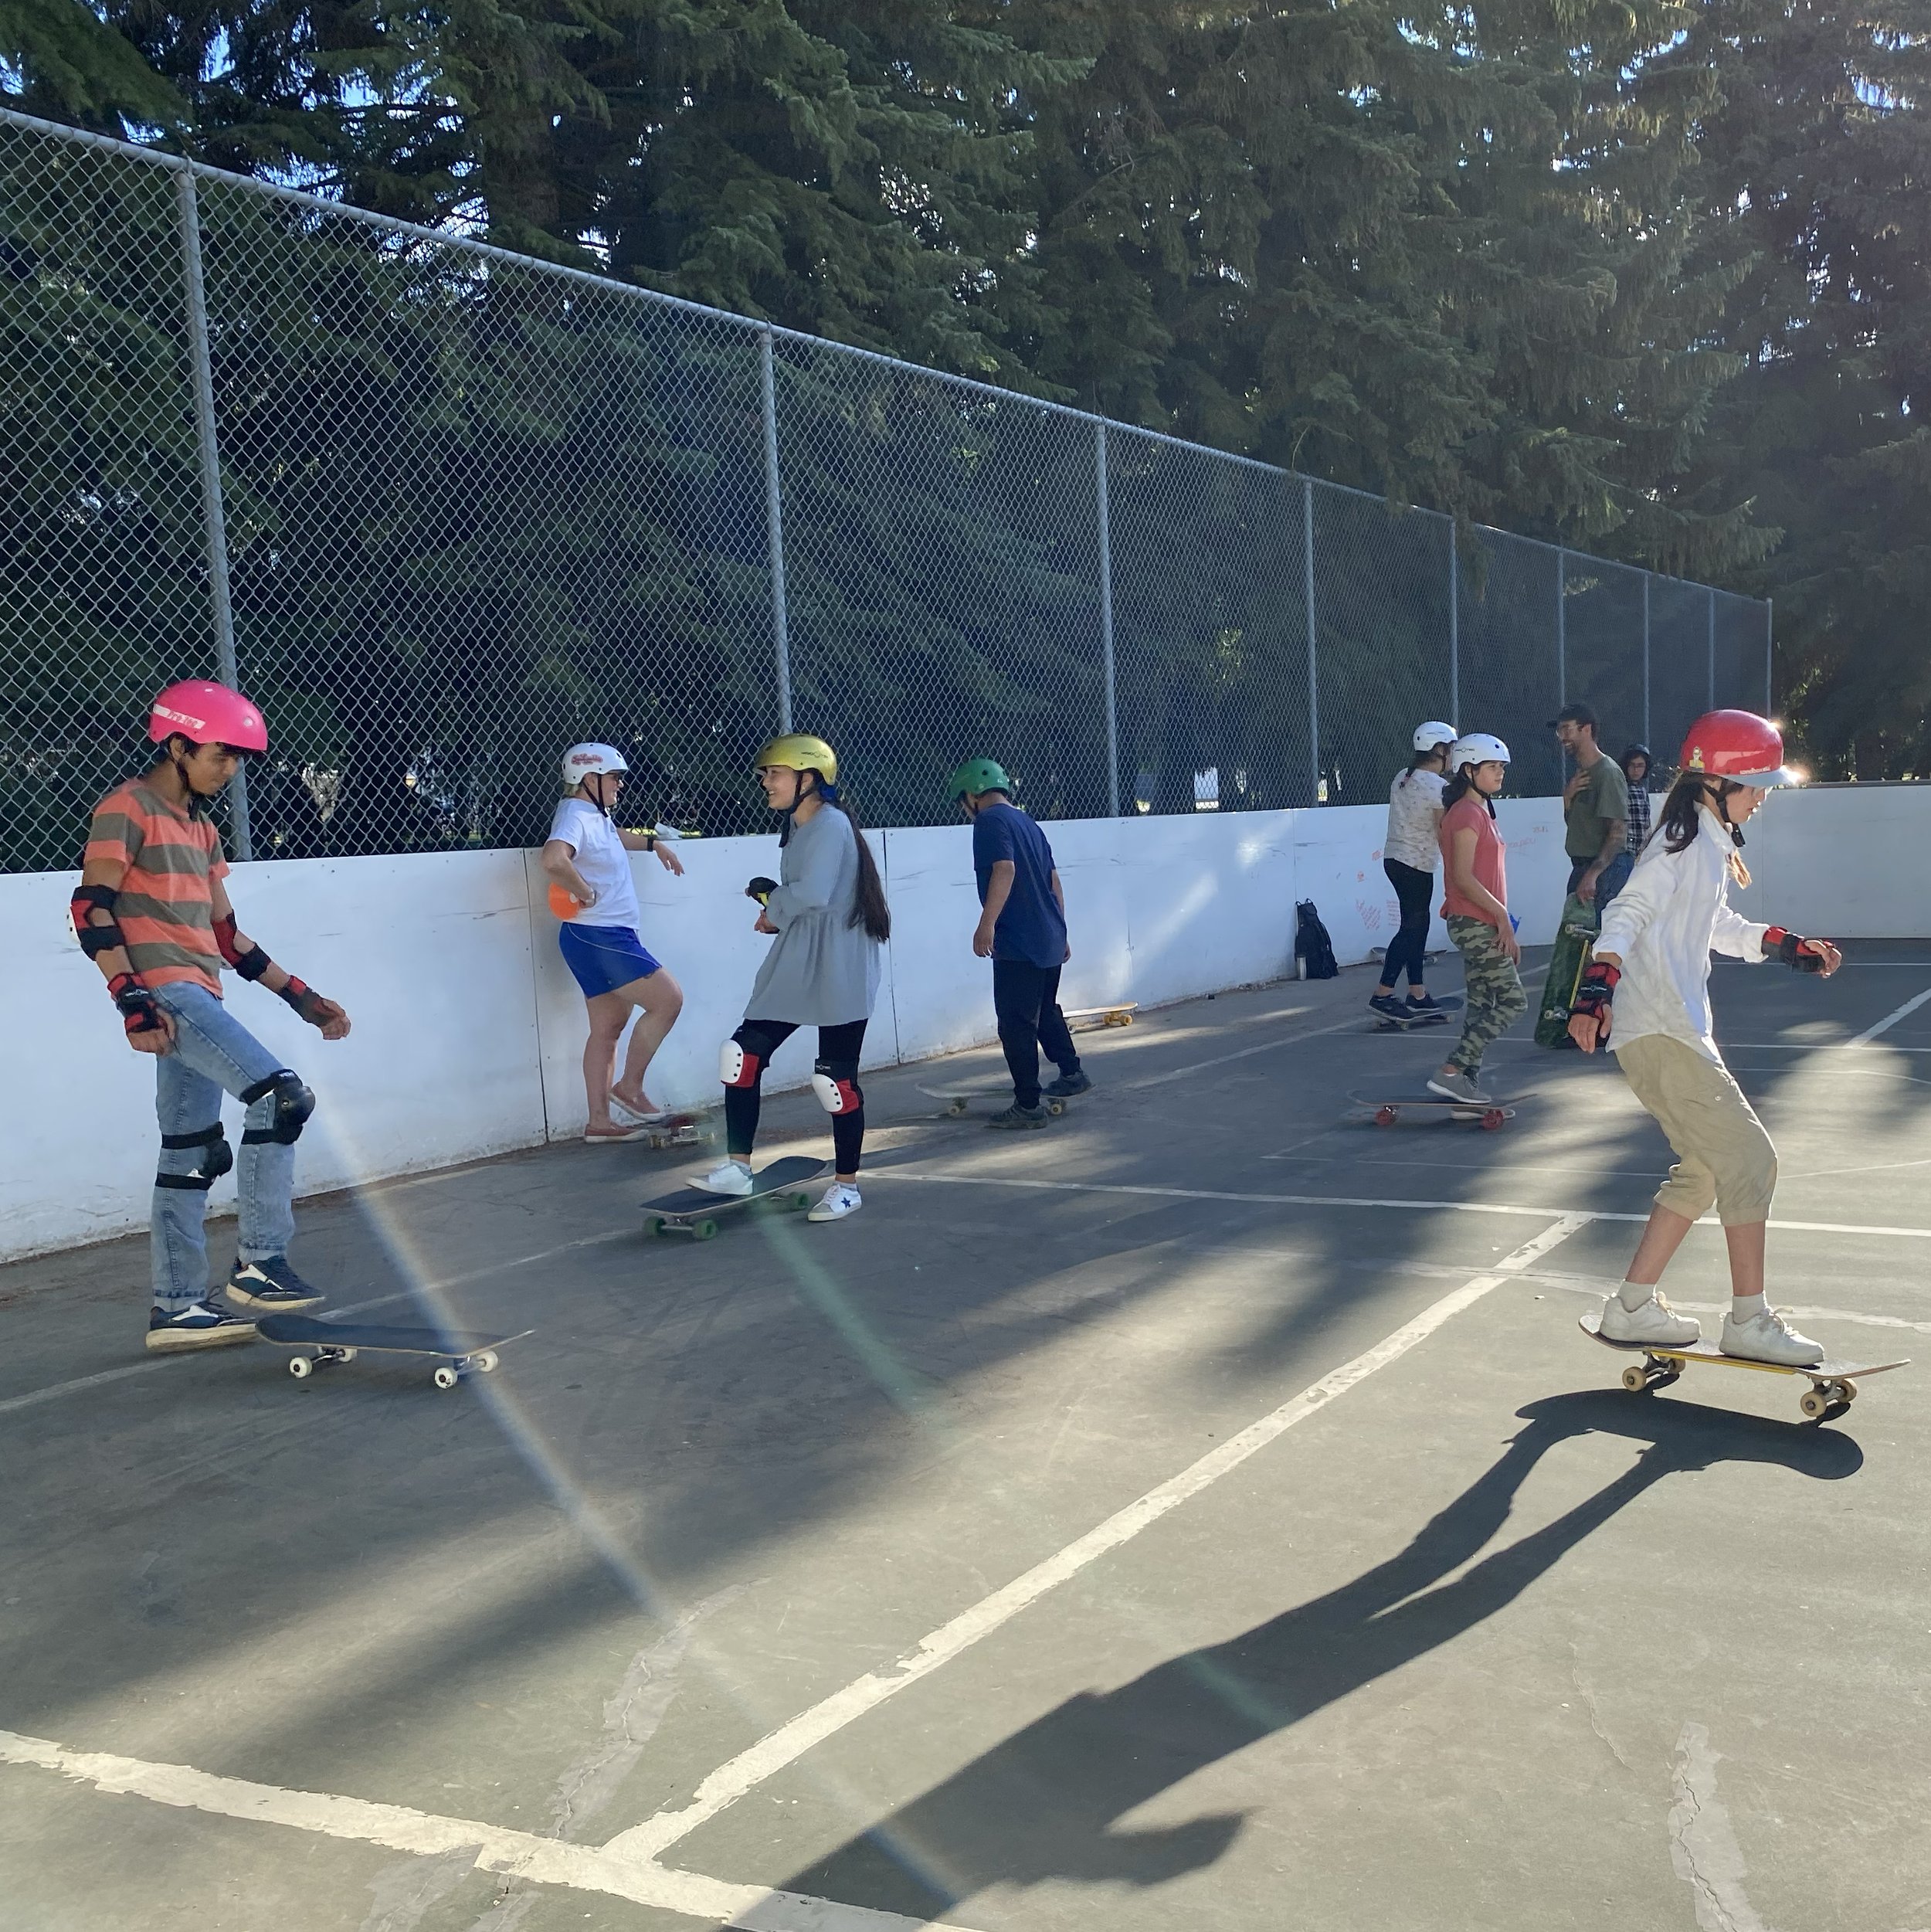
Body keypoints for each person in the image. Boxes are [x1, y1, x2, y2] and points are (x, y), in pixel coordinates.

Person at [73, 681, 352, 1352]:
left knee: (191, 1153)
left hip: (202, 988)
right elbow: (91, 906)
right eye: (220, 754)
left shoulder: (201, 829)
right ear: (176, 744)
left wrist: (303, 998)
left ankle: (175, 1307)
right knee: (281, 1098)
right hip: (165, 990)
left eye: (237, 759)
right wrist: (130, 997)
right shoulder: (127, 807)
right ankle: (259, 1260)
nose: (230, 769)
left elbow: (227, 937)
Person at [1570, 711, 1841, 1364]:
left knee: (1701, 1172)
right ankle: (1749, 1320)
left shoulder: (1702, 841)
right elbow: (1626, 910)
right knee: (1751, 1160)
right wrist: (1593, 992)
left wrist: (1783, 945)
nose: (1765, 796)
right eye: (1759, 784)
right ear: (1722, 781)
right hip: (1663, 1028)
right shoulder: (1682, 846)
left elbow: (1714, 923)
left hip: (1666, 1028)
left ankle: (1631, 1307)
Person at [702, 734, 890, 1221]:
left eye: (776, 774)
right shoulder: (800, 826)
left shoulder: (829, 824)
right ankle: (737, 1169)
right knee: (741, 1057)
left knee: (835, 1080)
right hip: (799, 958)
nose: (766, 782)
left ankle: (846, 1186)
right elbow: (805, 896)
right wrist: (776, 904)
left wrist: (775, 906)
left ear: (809, 779)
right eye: (765, 774)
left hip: (840, 965)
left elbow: (814, 894)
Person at [541, 742, 687, 1142]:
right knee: (668, 1000)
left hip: (594, 936)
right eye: (614, 778)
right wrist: (584, 892)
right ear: (590, 779)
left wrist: (654, 844)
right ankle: (630, 1088)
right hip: (600, 935)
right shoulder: (575, 813)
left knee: (608, 1028)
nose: (620, 785)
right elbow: (554, 859)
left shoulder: (590, 814)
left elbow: (612, 836)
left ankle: (600, 1124)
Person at [948, 758, 1086, 1127]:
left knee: (1015, 1023)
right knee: (1044, 1010)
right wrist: (1061, 928)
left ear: (972, 795)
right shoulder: (1028, 822)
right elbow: (1053, 879)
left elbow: (1004, 868)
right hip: (1048, 936)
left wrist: (986, 925)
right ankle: (1072, 1072)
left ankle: (1028, 1105)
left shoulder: (989, 822)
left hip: (1019, 940)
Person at [1428, 733, 1526, 1105]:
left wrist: (1501, 920)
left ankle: (1464, 1085)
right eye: (1492, 767)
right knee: (1514, 1002)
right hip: (1473, 921)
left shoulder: (1480, 811)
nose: (1500, 774)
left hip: (1480, 920)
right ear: (1469, 770)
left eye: (1502, 767)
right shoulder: (1467, 814)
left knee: (1483, 1004)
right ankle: (1452, 1070)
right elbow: (1463, 877)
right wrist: (1501, 918)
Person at [1369, 721, 1458, 1025]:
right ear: (1439, 750)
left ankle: (1417, 994)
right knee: (1412, 927)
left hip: (1396, 859)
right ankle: (1383, 994)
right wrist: (1457, 873)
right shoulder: (1437, 787)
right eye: (1451, 749)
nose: (1453, 756)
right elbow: (1443, 831)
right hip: (1416, 863)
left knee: (1417, 925)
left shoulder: (1403, 777)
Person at [1552, 702, 1631, 909]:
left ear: (1586, 729)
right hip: (1583, 869)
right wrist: (1567, 800)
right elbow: (1580, 826)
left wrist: (1592, 875)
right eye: (1559, 731)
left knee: (1598, 939)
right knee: (1576, 939)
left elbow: (1617, 833)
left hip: (1604, 873)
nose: (1562, 737)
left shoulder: (1607, 773)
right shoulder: (1582, 773)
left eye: (1566, 729)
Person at [1620, 743, 1654, 854]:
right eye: (1632, 765)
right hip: (1625, 850)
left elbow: (1646, 823)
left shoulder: (1643, 790)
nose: (1636, 770)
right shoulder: (1621, 788)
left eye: (1640, 766)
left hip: (1640, 851)